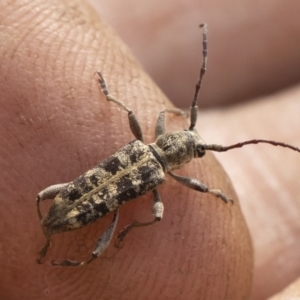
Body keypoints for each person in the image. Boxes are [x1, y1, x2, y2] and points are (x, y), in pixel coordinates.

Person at [1, 1, 300, 299]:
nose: (193, 141)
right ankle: (55, 245)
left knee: (47, 199)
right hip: (76, 206)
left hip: (74, 204)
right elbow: (157, 210)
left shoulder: (143, 149)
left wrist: (166, 113)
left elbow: (159, 116)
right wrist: (209, 192)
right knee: (147, 220)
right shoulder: (157, 175)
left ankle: (48, 245)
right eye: (194, 145)